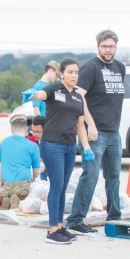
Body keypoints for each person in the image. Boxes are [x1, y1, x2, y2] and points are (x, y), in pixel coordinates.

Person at [66, 29, 126, 235]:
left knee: (114, 176)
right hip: (95, 134)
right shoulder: (91, 68)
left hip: (114, 132)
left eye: (111, 46)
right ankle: (75, 220)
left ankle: (115, 218)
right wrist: (90, 124)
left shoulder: (120, 68)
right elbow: (79, 96)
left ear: (116, 47)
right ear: (98, 47)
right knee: (90, 176)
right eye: (104, 46)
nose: (108, 50)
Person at [32, 59, 93, 244]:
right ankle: (52, 231)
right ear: (61, 74)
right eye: (70, 72)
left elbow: (80, 125)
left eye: (76, 72)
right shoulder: (54, 89)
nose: (74, 75)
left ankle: (59, 226)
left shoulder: (78, 97)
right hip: (52, 145)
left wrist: (87, 147)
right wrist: (34, 94)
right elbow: (41, 94)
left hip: (69, 146)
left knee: (63, 187)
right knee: (56, 186)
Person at [0, 113, 40, 210]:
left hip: (7, 185)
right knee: (26, 198)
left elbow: (0, 165)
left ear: (11, 129)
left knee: (8, 193)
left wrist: (0, 185)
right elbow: (36, 171)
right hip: (23, 186)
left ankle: (6, 197)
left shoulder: (4, 143)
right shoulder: (33, 146)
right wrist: (35, 184)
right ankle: (19, 198)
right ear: (26, 129)